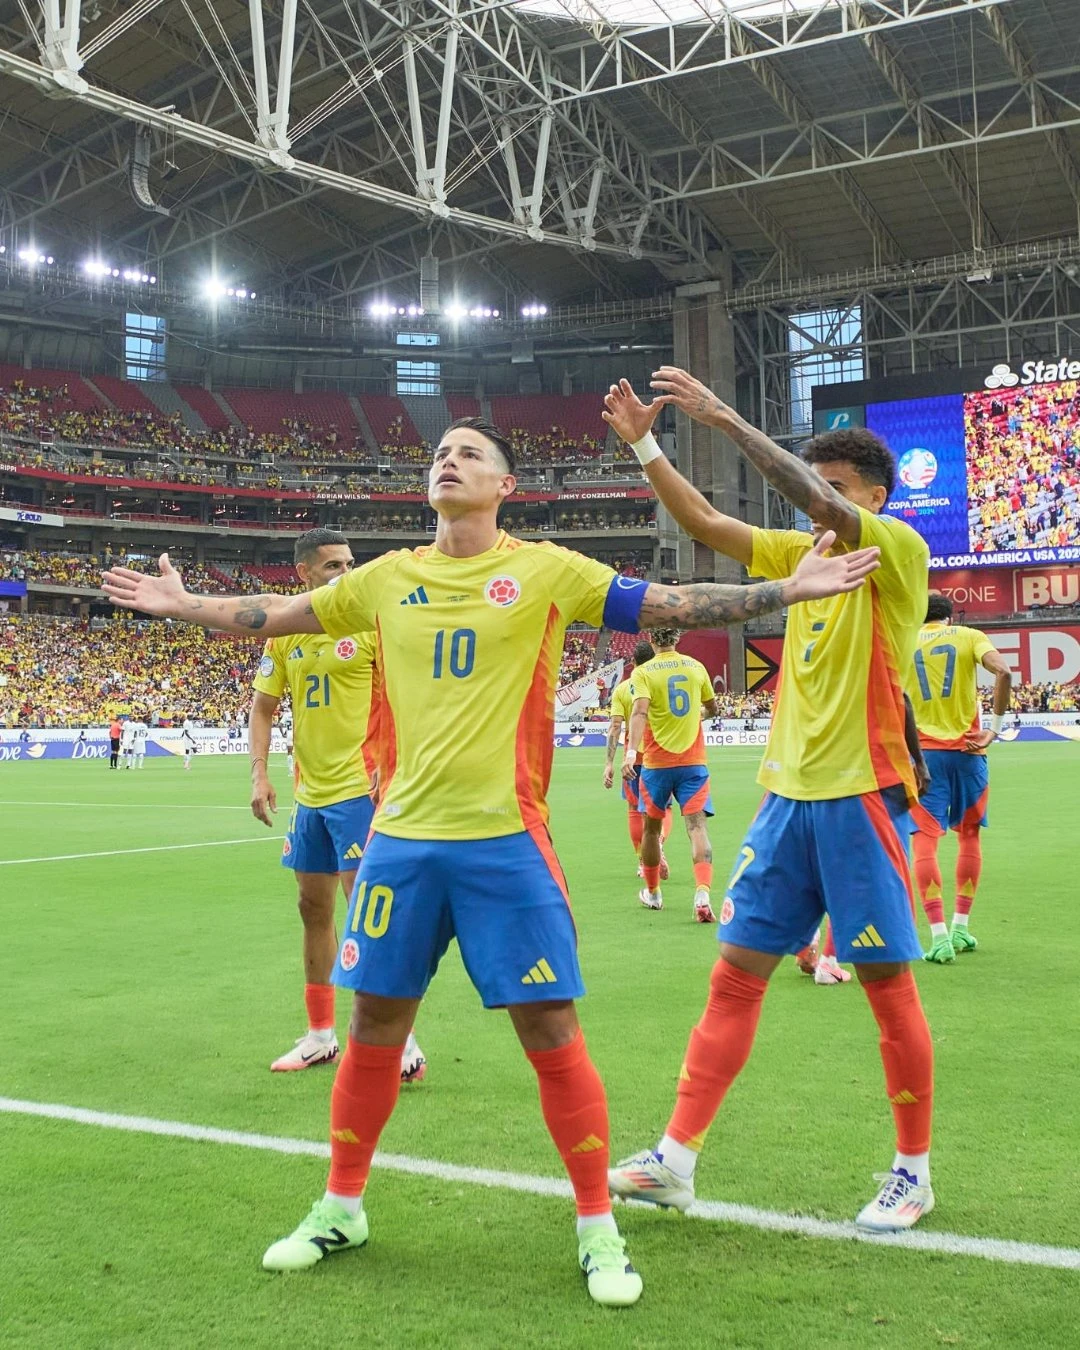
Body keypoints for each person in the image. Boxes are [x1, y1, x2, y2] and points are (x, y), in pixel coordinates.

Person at [103, 414, 879, 1307]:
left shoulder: (546, 567)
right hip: (398, 843)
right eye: (440, 452)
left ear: (506, 486)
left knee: (550, 1034)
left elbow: (665, 605)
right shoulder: (385, 580)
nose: (449, 459)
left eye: (470, 453)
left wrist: (787, 591)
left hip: (506, 844)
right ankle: (340, 1206)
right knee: (373, 1032)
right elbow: (273, 616)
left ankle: (598, 1226)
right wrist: (185, 604)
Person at [602, 371, 934, 1233]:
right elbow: (707, 524)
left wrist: (727, 419)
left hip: (861, 794)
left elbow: (803, 490)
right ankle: (675, 1161)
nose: (813, 511)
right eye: (814, 493)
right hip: (786, 800)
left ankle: (913, 1172)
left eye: (836, 492)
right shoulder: (800, 557)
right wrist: (647, 445)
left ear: (875, 498)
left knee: (886, 985)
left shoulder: (894, 549)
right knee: (735, 976)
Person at [249, 527, 425, 1080]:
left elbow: (411, 698)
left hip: (360, 790)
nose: (346, 573)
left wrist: (395, 768)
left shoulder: (372, 625)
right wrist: (259, 774)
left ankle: (404, 1043)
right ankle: (321, 1035)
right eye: (333, 566)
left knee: (367, 916)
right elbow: (262, 708)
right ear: (304, 573)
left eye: (351, 563)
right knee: (312, 910)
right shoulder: (285, 633)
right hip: (309, 795)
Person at [905, 592, 1013, 963]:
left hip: (923, 758)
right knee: (969, 836)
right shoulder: (969, 636)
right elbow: (1004, 671)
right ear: (949, 618)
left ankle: (937, 938)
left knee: (924, 841)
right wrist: (994, 730)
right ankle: (961, 927)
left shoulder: (903, 642)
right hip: (969, 751)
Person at [624, 628, 719, 921]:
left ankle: (653, 894)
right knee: (697, 828)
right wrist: (698, 716)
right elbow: (712, 708)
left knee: (652, 830)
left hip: (656, 764)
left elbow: (639, 712)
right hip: (693, 762)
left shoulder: (644, 672)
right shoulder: (696, 666)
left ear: (652, 639)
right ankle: (702, 894)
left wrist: (629, 752)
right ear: (677, 638)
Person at [603, 640, 671, 886]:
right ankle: (659, 842)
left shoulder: (622, 690)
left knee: (634, 810)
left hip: (633, 758)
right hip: (660, 754)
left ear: (632, 663)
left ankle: (643, 861)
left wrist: (609, 763)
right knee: (664, 809)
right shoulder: (659, 681)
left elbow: (615, 727)